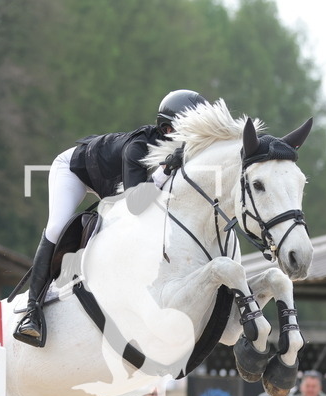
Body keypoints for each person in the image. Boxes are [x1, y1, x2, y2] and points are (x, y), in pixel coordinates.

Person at [13, 89, 208, 347]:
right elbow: (136, 205)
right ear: (168, 128)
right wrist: (165, 169)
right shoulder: (138, 148)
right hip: (75, 171)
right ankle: (32, 311)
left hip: (112, 183)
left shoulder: (184, 152)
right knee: (57, 227)